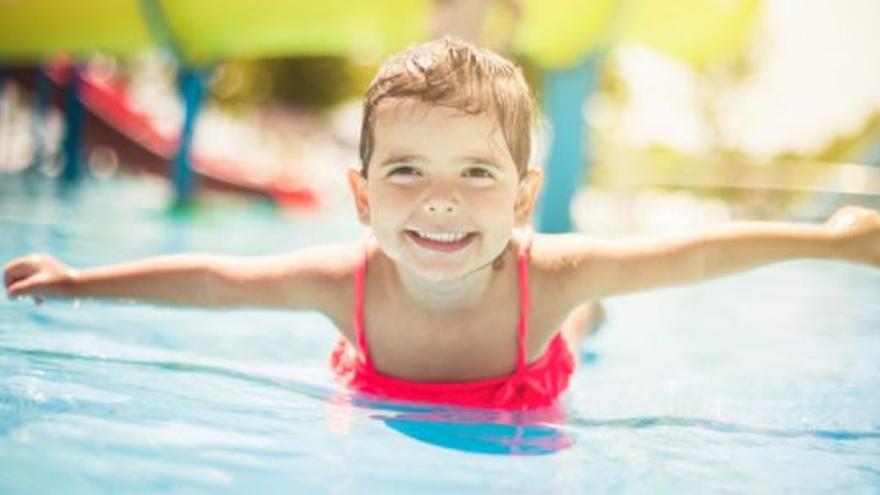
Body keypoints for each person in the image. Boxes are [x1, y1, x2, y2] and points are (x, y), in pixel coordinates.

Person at [4, 38, 880, 411]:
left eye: (476, 174)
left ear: (523, 199)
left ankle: (586, 322)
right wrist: (84, 282)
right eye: (407, 171)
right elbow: (214, 282)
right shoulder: (342, 285)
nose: (441, 200)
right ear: (361, 195)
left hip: (534, 346)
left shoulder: (553, 271)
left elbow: (689, 257)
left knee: (590, 303)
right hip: (387, 383)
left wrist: (833, 243)